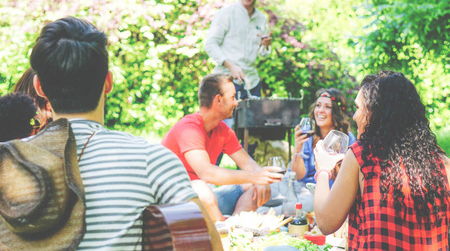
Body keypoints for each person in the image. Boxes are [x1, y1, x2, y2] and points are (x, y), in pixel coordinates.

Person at [29, 17, 222, 250]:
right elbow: (208, 244)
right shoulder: (152, 159)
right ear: (108, 83)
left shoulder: (8, 162)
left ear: (39, 87)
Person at [313, 71, 450, 250]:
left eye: (357, 108)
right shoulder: (442, 162)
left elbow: (325, 223)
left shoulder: (361, 156)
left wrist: (323, 170)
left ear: (375, 113)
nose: (354, 117)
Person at [161, 73, 283, 222]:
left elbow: (247, 164)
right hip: (174, 205)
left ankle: (236, 228)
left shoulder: (223, 131)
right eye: (232, 97)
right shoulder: (189, 129)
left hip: (204, 202)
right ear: (218, 100)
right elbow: (207, 173)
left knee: (254, 186)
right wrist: (255, 176)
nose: (236, 103)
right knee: (202, 188)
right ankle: (224, 235)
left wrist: (259, 177)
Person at [258, 88, 356, 214]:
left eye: (327, 107)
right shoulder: (309, 135)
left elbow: (343, 182)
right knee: (258, 191)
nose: (320, 110)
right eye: (318, 105)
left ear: (337, 112)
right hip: (298, 185)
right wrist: (298, 148)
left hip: (318, 192)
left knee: (311, 202)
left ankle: (266, 213)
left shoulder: (346, 140)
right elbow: (298, 176)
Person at [204, 0, 272, 128]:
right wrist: (231, 66)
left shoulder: (261, 19)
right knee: (221, 132)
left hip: (251, 83)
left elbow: (262, 56)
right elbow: (210, 44)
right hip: (225, 82)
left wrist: (266, 46)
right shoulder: (226, 14)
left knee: (253, 134)